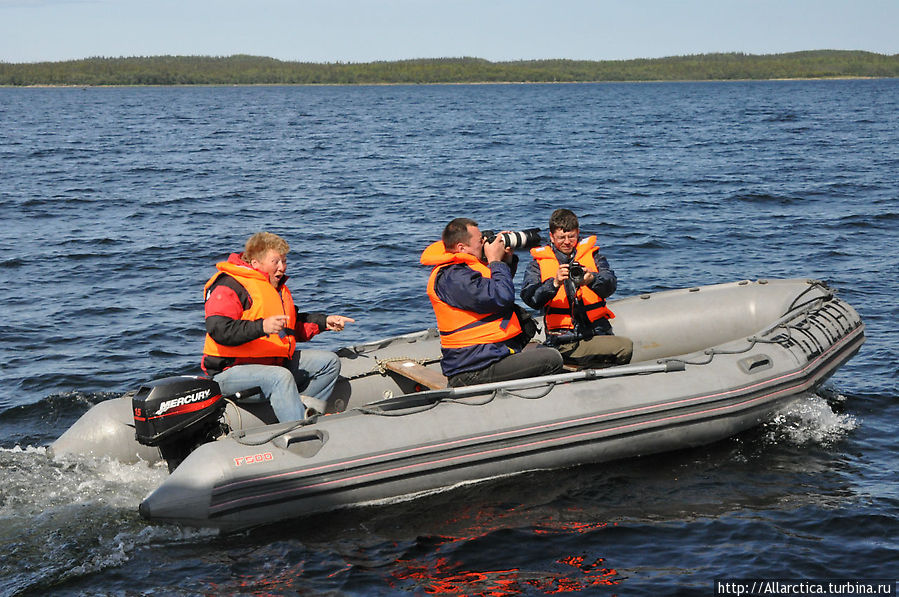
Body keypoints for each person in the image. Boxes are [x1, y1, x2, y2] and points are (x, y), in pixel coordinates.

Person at [201, 232, 354, 421]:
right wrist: (261, 327)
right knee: (280, 377)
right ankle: (300, 430)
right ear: (256, 263)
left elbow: (290, 326)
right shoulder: (228, 285)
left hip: (272, 363)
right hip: (229, 373)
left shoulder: (274, 287)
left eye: (284, 261)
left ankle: (304, 413)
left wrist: (324, 322)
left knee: (328, 362)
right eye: (276, 262)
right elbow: (219, 330)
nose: (282, 268)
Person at [420, 217, 563, 387]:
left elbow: (494, 287)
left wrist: (505, 261)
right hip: (472, 369)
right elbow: (501, 297)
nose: (484, 243)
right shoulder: (453, 278)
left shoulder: (463, 269)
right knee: (551, 359)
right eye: (480, 240)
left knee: (538, 351)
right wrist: (495, 261)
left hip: (485, 356)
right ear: (461, 247)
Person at [521, 209, 633, 368]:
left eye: (571, 237)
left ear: (578, 234)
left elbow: (610, 284)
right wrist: (554, 283)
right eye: (561, 238)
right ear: (552, 237)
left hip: (598, 332)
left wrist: (592, 279)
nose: (567, 242)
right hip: (563, 340)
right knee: (624, 347)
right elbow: (530, 298)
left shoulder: (594, 257)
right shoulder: (537, 265)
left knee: (614, 349)